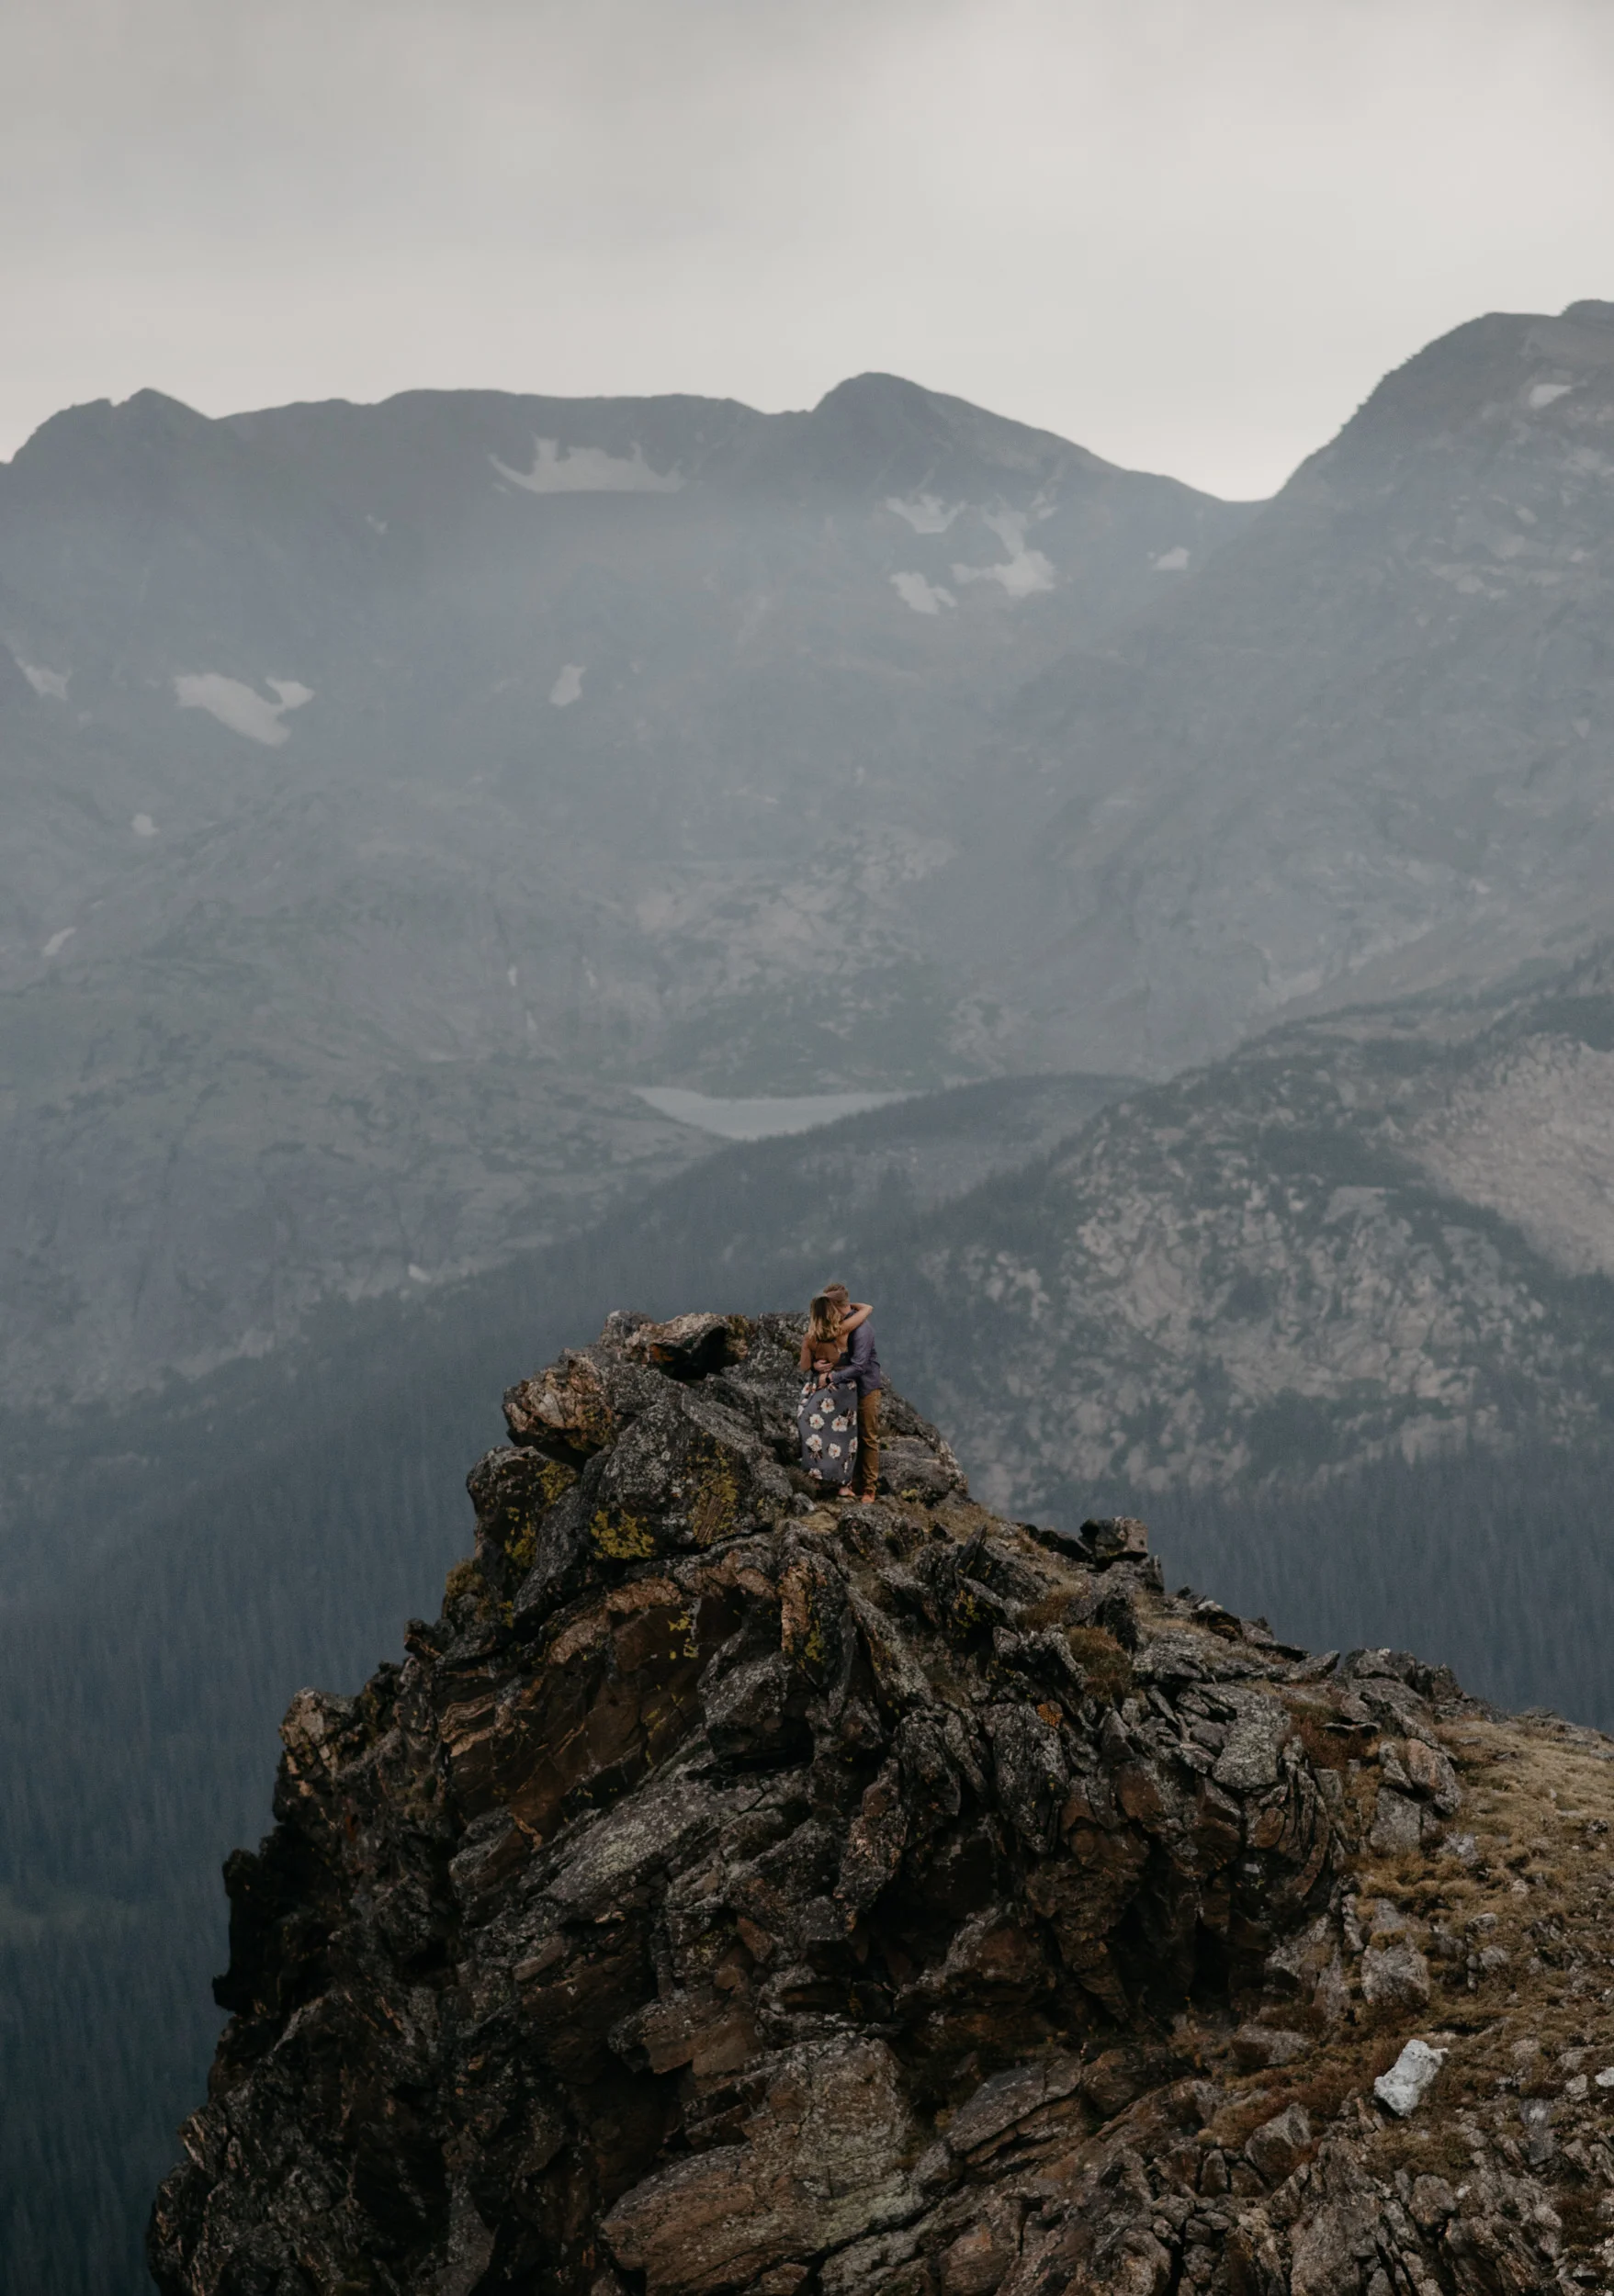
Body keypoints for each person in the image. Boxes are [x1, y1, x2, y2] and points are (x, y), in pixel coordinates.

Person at [821, 1281, 883, 1503]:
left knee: (867, 1437)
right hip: (848, 1390)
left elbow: (859, 1367)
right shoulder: (844, 1323)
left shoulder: (862, 1331)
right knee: (849, 1436)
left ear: (836, 1306)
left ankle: (869, 1489)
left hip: (865, 1389)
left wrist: (831, 1377)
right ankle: (850, 1482)